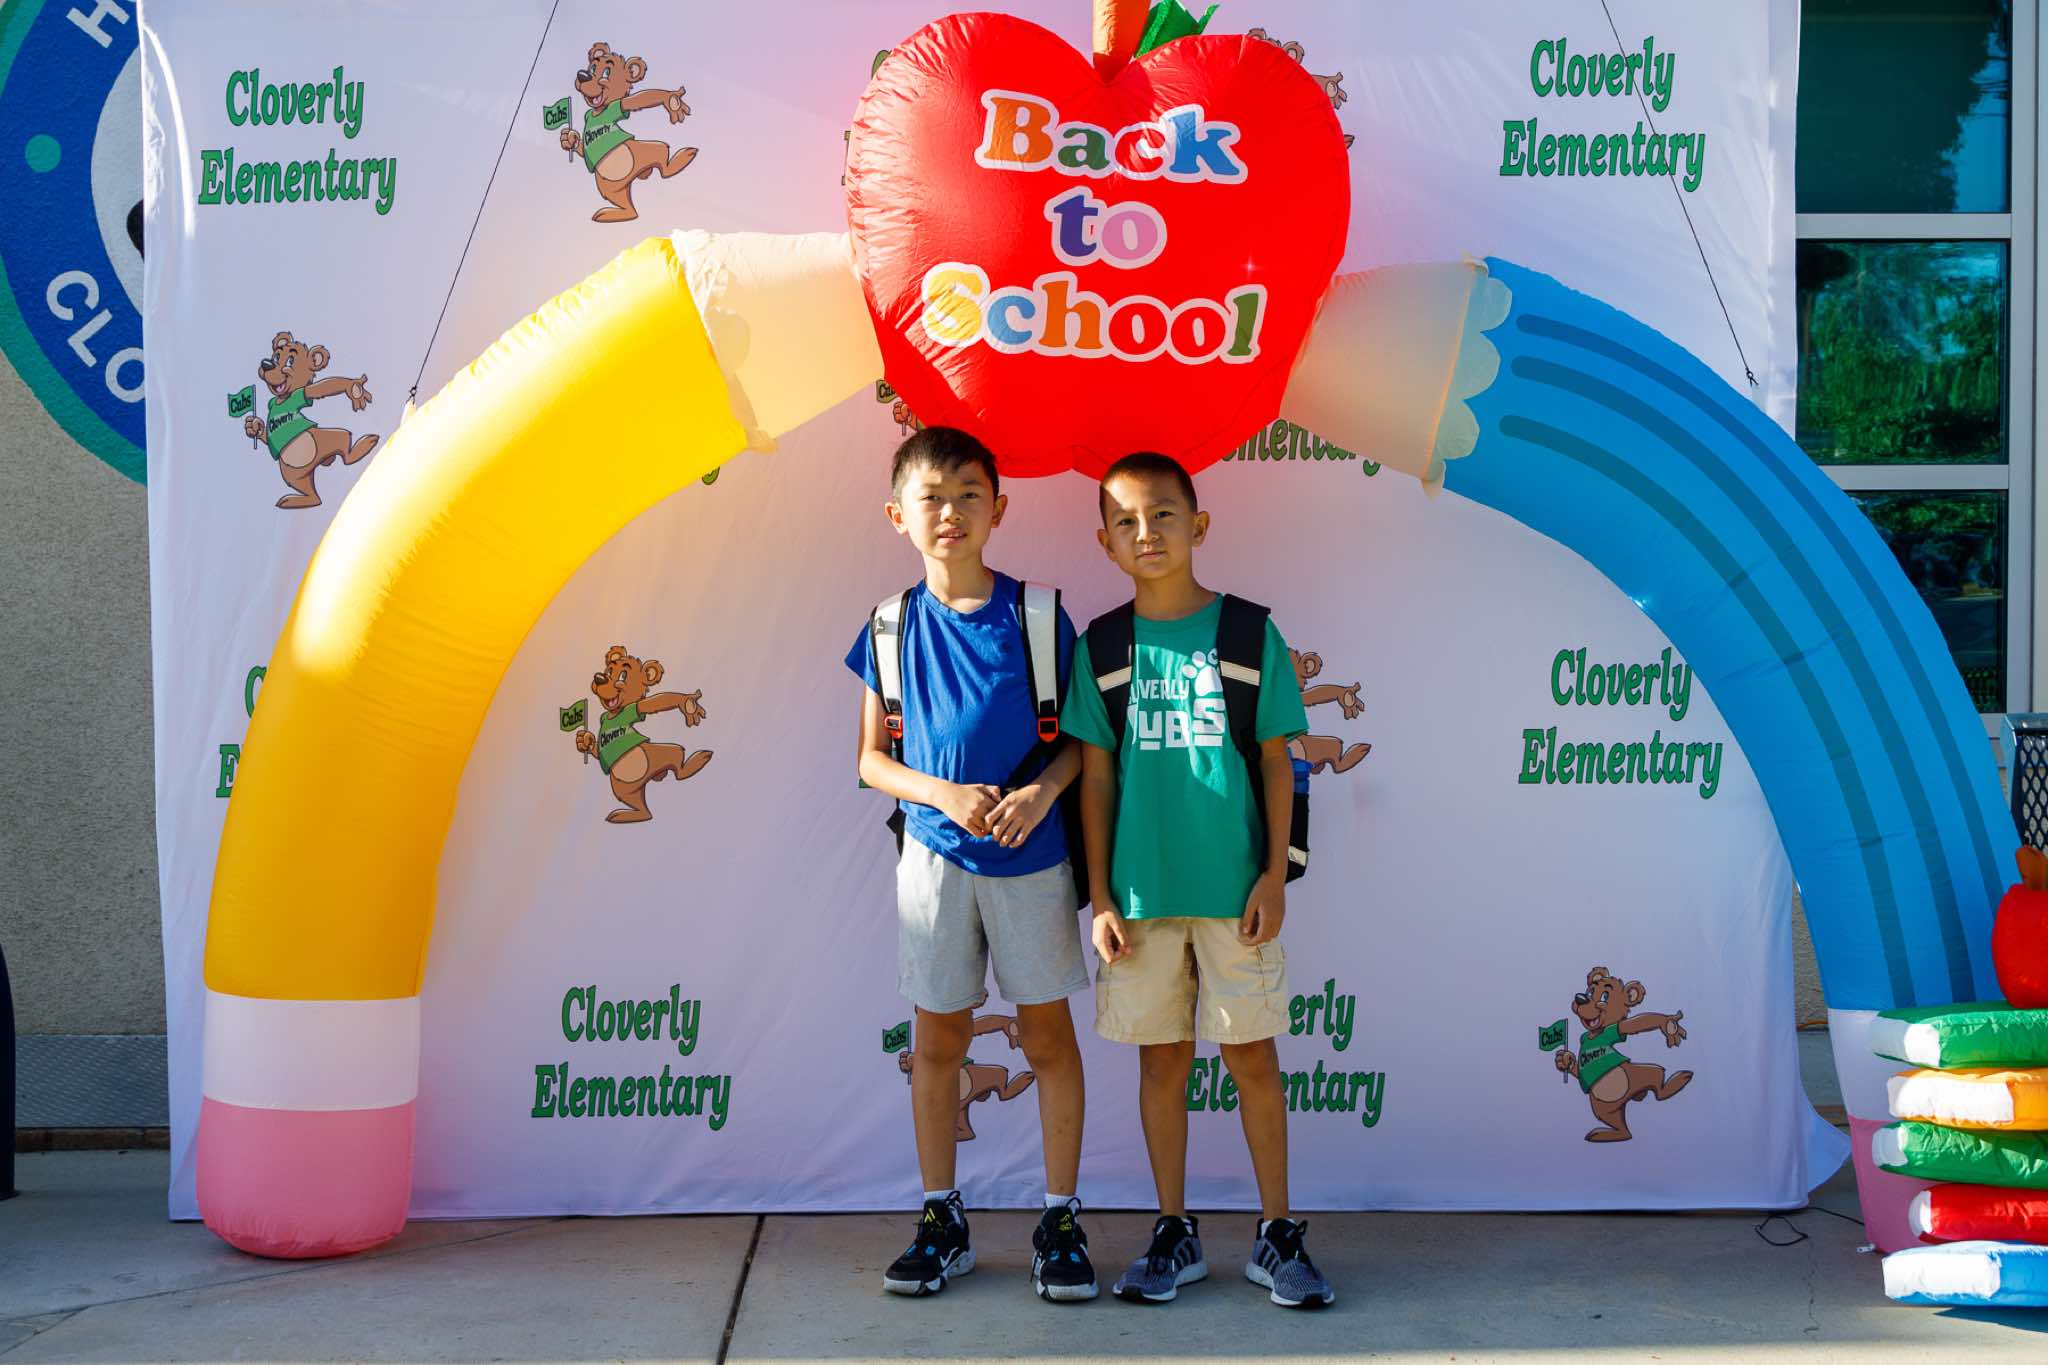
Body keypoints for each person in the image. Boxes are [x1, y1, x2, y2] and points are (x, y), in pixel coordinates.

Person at [1064, 451, 1335, 1309]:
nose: (1146, 532)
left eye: (1163, 515)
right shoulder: (1103, 646)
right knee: (1163, 1063)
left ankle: (1278, 1231)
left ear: (1199, 525)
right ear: (1105, 542)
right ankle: (1173, 1231)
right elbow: (1095, 779)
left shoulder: (1249, 633)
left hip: (1234, 895)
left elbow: (1279, 760)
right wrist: (1101, 896)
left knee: (1252, 1056)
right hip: (1141, 901)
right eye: (1125, 521)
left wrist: (1274, 875)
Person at [847, 426, 1097, 1301]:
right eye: (931, 496)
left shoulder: (1040, 616)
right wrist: (944, 795)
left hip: (1033, 860)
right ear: (898, 516)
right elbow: (871, 760)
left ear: (999, 507)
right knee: (938, 1041)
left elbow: (1082, 742)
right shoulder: (888, 626)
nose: (950, 511)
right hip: (933, 861)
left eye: (968, 494)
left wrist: (1042, 793)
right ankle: (940, 1218)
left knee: (1048, 1037)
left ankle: (1060, 1219)